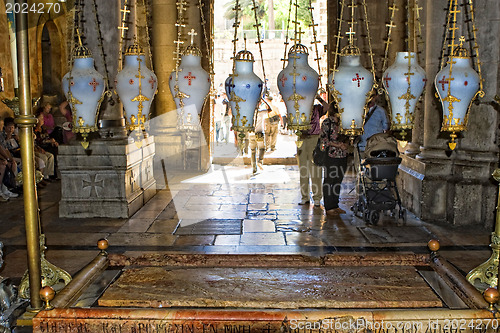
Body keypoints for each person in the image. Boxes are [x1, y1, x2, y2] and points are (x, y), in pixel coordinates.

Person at [297, 93, 328, 207]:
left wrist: (318, 98)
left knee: (316, 169)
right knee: (303, 169)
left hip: (314, 138)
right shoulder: (297, 108)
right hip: (302, 138)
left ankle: (317, 197)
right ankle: (304, 197)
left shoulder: (316, 108)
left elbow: (327, 107)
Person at [319, 103, 349, 216]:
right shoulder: (327, 122)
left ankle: (335, 204)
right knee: (329, 181)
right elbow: (324, 140)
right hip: (331, 155)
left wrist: (346, 144)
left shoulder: (344, 122)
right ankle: (328, 206)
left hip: (343, 155)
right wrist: (338, 145)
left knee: (338, 181)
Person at [0, 117, 19, 200]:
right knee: (3, 166)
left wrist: (9, 159)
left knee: (12, 163)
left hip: (4, 157)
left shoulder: (1, 135)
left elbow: (5, 149)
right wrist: (6, 159)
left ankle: (7, 187)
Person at [249, 99, 268, 174]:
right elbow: (270, 109)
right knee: (262, 148)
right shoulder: (261, 112)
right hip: (259, 133)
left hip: (251, 133)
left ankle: (254, 167)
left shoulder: (249, 113)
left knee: (253, 151)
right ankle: (260, 161)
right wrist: (264, 101)